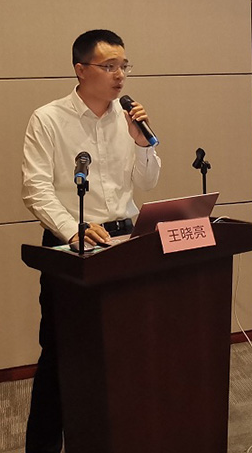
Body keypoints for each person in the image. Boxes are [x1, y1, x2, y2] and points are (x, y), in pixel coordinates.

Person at [21, 29, 161, 453]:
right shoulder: (48, 119)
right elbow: (36, 189)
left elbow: (147, 183)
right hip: (70, 248)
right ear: (81, 70)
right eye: (109, 66)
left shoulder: (128, 118)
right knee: (61, 354)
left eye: (124, 66)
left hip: (126, 242)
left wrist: (142, 143)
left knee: (127, 349)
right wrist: (72, 228)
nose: (120, 75)